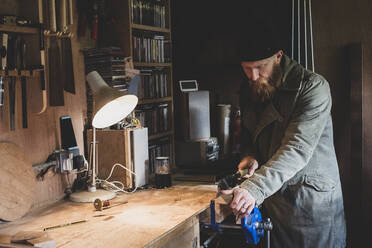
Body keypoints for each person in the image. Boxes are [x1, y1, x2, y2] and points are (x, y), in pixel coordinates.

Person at [221, 31, 347, 247]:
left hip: (310, 206)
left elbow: (296, 149)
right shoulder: (250, 88)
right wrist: (249, 157)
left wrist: (253, 189)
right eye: (246, 69)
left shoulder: (313, 87)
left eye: (260, 68)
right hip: (272, 203)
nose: (253, 76)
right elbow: (251, 135)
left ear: (278, 56)